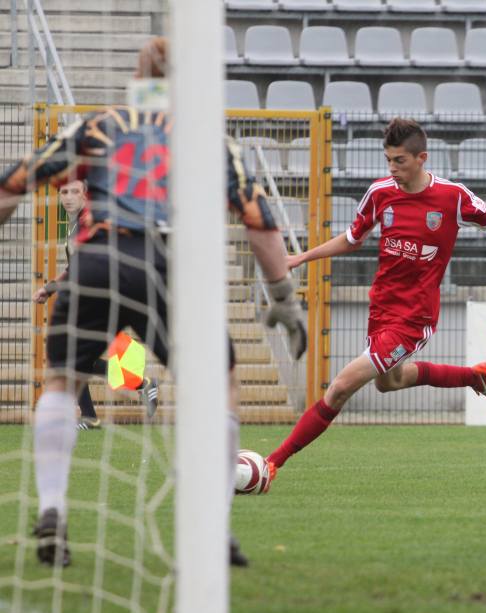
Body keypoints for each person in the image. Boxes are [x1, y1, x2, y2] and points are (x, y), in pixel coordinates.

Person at [0, 37, 307, 567]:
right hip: (168, 265)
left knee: (61, 383)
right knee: (220, 384)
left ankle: (51, 508)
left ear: (137, 80)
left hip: (96, 261)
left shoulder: (97, 126)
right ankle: (212, 524)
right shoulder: (205, 139)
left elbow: (13, 184)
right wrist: (283, 298)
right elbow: (259, 221)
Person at [262, 118, 486, 483]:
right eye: (388, 160)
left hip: (413, 317)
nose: (392, 169)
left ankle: (272, 463)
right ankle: (475, 376)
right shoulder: (380, 193)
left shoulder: (452, 197)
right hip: (382, 308)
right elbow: (352, 237)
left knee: (341, 386)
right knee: (388, 382)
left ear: (421, 158)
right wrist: (302, 258)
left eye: (400, 161)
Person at [32, 178, 159, 430]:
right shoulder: (76, 223)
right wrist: (49, 288)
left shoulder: (91, 222)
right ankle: (123, 395)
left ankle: (102, 408)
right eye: (63, 192)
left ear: (85, 195)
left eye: (74, 192)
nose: (67, 197)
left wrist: (50, 288)